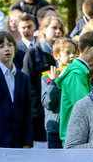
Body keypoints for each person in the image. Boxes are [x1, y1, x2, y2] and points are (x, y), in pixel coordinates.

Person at [23, 15, 65, 147]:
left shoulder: (66, 56)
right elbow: (28, 85)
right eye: (54, 28)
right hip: (39, 116)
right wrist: (36, 111)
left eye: (60, 29)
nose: (58, 31)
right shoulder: (33, 53)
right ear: (44, 30)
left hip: (59, 115)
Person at [57, 31, 93, 142]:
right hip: (76, 138)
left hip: (88, 136)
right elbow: (86, 107)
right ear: (88, 49)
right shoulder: (76, 74)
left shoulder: (85, 71)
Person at [42, 37, 78, 148]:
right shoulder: (47, 76)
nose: (72, 56)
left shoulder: (76, 74)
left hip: (72, 128)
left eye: (74, 53)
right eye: (67, 53)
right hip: (55, 128)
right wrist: (54, 82)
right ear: (56, 55)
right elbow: (48, 103)